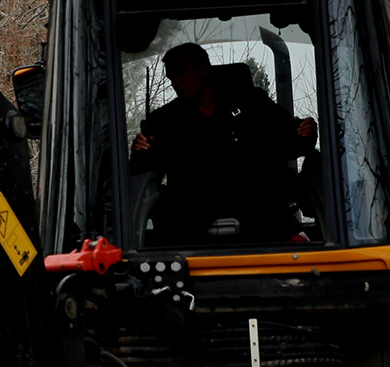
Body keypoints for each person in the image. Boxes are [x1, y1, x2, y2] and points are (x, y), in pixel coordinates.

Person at [129, 42, 317, 243]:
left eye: (181, 73)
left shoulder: (254, 104)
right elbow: (145, 173)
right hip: (189, 222)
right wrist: (140, 153)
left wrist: (306, 133)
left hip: (262, 213)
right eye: (171, 77)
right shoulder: (164, 121)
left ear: (202, 69)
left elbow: (291, 143)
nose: (176, 82)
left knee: (303, 247)